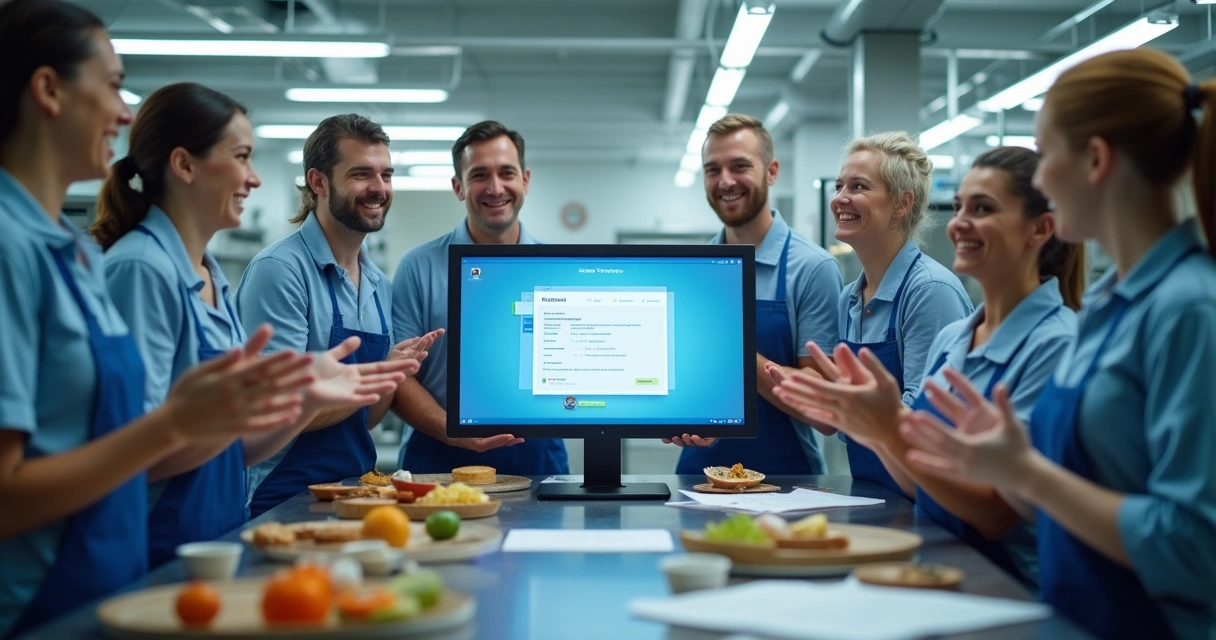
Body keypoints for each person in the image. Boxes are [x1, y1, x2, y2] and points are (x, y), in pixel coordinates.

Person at [0, 2, 313, 635]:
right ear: (48, 90)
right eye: (114, 85)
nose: (123, 110)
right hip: (38, 598)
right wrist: (173, 423)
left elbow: (103, 440)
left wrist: (295, 398)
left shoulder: (73, 253)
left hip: (107, 579)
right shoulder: (15, 248)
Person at [900, 49, 1216, 639]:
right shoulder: (1105, 308)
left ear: (1095, 160)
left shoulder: (1189, 308)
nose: (1041, 180)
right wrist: (1003, 468)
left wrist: (1028, 475)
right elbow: (1069, 501)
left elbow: (1193, 547)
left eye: (1047, 157)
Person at [93, 84, 417, 567]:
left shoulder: (213, 276)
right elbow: (128, 447)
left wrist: (355, 387)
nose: (255, 179)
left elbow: (236, 436)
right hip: (171, 526)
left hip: (221, 518)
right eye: (242, 157)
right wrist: (318, 394)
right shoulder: (146, 268)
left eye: (386, 173)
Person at [775, 146, 1084, 588]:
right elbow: (922, 473)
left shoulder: (1055, 343)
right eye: (958, 207)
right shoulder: (953, 340)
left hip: (1012, 578)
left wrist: (883, 425)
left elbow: (999, 513)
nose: (958, 223)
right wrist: (866, 422)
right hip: (936, 547)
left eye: (982, 208)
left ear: (1041, 229)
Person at [236, 114, 439, 518]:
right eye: (362, 174)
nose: (379, 189)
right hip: (282, 496)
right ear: (318, 182)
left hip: (354, 493)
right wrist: (367, 381)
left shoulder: (379, 284)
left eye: (386, 174)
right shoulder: (281, 270)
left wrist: (390, 377)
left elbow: (365, 421)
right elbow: (274, 412)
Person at [667, 114, 844, 475]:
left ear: (772, 171)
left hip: (789, 482)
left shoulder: (813, 269)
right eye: (712, 169)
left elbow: (827, 414)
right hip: (698, 476)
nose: (725, 181)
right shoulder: (690, 270)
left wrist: (730, 350)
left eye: (740, 166)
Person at [392, 121, 568, 475]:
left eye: (507, 173)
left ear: (525, 180)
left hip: (538, 455)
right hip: (438, 453)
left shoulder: (559, 267)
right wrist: (452, 431)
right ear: (458, 187)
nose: (495, 187)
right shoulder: (418, 266)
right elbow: (399, 374)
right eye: (479, 175)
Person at [820, 132, 972, 498]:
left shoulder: (930, 291)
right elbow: (852, 423)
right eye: (839, 185)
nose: (840, 198)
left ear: (902, 203)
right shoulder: (850, 298)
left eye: (858, 186)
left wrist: (845, 406)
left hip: (923, 501)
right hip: (872, 493)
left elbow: (923, 422)